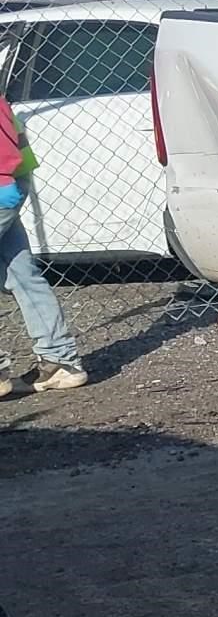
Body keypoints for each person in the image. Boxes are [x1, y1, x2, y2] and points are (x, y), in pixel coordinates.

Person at [0, 93, 86, 395]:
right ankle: (60, 362)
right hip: (10, 180)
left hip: (2, 182)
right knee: (20, 273)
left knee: (21, 274)